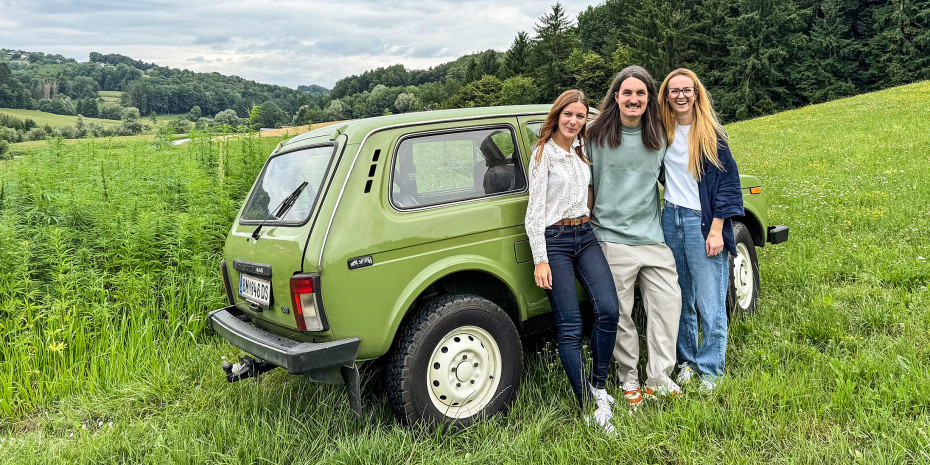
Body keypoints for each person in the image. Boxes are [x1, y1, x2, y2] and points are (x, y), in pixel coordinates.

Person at [586, 66, 683, 404]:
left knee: (668, 307)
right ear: (616, 96)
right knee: (621, 313)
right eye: (627, 93)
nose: (634, 99)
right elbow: (583, 185)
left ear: (648, 99)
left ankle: (658, 378)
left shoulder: (658, 135)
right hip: (611, 240)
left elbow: (677, 177)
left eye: (641, 93)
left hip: (653, 239)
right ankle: (629, 379)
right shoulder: (594, 134)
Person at [525, 89, 620, 433]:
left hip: (585, 235)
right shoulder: (542, 155)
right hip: (555, 241)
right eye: (569, 114)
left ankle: (599, 386)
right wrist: (540, 259)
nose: (574, 121)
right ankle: (587, 406)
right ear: (557, 115)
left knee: (608, 310)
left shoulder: (582, 153)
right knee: (570, 326)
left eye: (580, 116)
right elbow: (533, 213)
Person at [657, 68, 744, 391]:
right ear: (666, 96)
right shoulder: (663, 132)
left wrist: (717, 229)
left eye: (686, 90)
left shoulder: (710, 133)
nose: (680, 96)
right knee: (681, 297)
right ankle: (688, 362)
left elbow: (727, 184)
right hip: (671, 219)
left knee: (709, 300)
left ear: (696, 94)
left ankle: (711, 369)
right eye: (674, 90)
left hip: (702, 221)